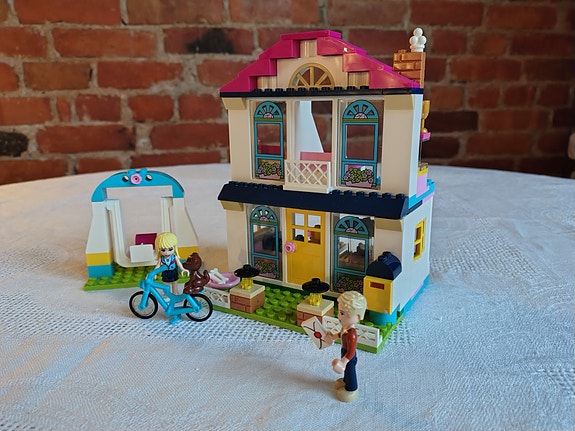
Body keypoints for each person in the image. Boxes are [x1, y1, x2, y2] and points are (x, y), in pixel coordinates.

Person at [325, 290, 368, 402]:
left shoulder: (352, 334)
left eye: (342, 313)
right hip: (344, 352)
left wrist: (343, 362)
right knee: (347, 371)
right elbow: (341, 334)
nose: (338, 316)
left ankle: (351, 389)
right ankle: (345, 381)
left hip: (349, 357)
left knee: (350, 371)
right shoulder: (345, 328)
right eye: (339, 312)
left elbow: (351, 351)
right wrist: (332, 336)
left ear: (357, 316)